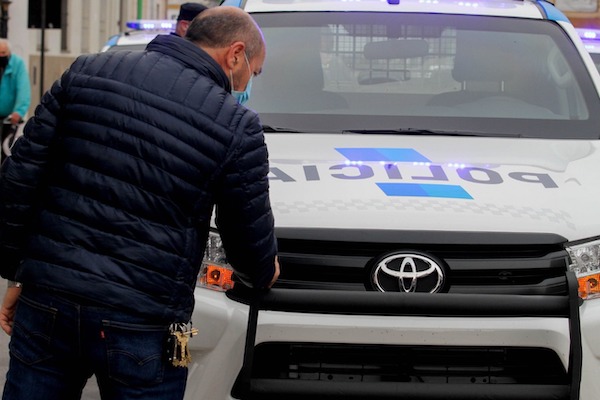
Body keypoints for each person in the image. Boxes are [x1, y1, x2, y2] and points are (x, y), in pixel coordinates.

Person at [0, 5, 279, 400]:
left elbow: (19, 180)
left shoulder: (86, 72)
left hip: (49, 300)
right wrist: (263, 270)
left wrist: (17, 274)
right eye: (255, 71)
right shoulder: (235, 124)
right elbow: (245, 231)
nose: (249, 81)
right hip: (144, 321)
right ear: (236, 54)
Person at [0, 39, 30, 161]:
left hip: (9, 117)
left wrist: (19, 111)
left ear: (9, 53)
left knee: (6, 150)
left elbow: (23, 89)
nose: (1, 56)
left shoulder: (17, 64)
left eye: (3, 53)